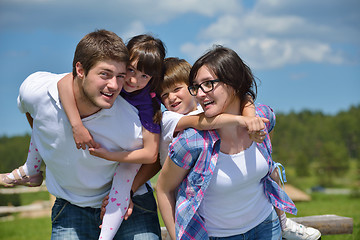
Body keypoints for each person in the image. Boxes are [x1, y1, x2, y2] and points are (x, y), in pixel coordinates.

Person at [3, 29, 161, 240]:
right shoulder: (37, 91)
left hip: (130, 206)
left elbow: (154, 156)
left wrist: (127, 190)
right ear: (80, 69)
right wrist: (71, 129)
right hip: (70, 205)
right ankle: (28, 170)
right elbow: (39, 109)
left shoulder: (135, 119)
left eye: (120, 76)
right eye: (105, 74)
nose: (117, 85)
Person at [156, 46, 321, 240]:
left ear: (233, 83)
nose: (200, 94)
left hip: (268, 226)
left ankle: (285, 223)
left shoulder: (263, 118)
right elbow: (163, 188)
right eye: (197, 87)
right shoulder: (191, 140)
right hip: (218, 235)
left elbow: (267, 163)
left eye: (208, 84)